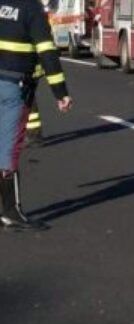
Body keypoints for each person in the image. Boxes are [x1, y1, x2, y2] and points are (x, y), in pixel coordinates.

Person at [0, 0, 72, 231]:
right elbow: (46, 51)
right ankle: (11, 212)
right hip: (14, 86)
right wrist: (60, 92)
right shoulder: (31, 9)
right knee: (8, 149)